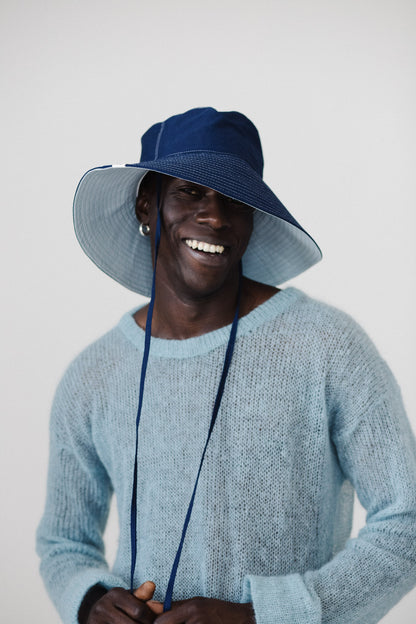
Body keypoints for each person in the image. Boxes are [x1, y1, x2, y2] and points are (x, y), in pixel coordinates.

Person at [37, 107, 416, 624]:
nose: (215, 217)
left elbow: (407, 519)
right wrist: (90, 603)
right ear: (147, 205)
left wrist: (261, 615)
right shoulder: (93, 375)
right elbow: (63, 542)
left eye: (235, 200)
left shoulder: (326, 346)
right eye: (191, 191)